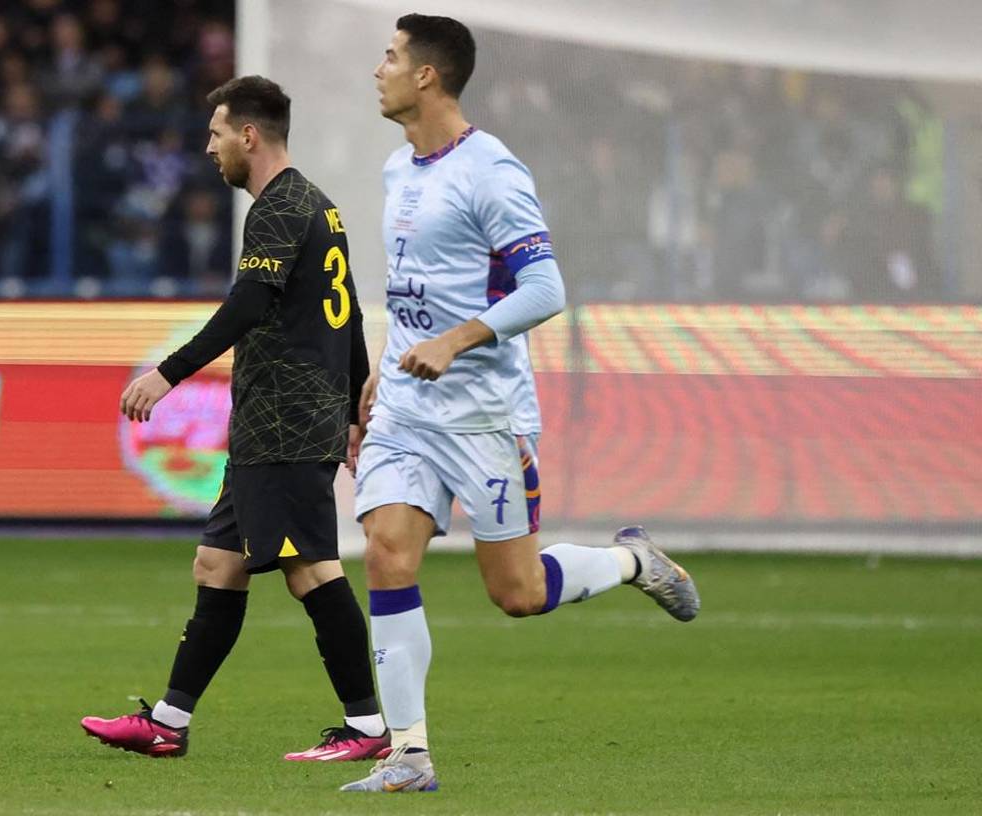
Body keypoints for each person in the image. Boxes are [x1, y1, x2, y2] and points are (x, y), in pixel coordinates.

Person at [341, 15, 701, 793]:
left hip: (484, 417)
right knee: (385, 553)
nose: (380, 69)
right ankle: (409, 756)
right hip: (408, 405)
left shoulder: (493, 172)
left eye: (392, 57)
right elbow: (411, 288)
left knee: (517, 593)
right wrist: (380, 369)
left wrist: (457, 341)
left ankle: (633, 560)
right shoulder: (398, 172)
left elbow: (546, 289)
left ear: (428, 76)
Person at [81, 75, 390, 764]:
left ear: (248, 135)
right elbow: (348, 313)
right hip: (280, 423)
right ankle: (166, 722)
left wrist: (168, 372)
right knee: (217, 563)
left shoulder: (278, 209)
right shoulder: (320, 207)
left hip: (282, 423)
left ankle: (368, 727)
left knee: (312, 570)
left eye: (216, 132)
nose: (208, 147)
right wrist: (347, 412)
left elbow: (249, 304)